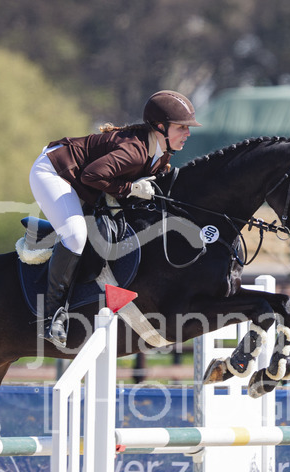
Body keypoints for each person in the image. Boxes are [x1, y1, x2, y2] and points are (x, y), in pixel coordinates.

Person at [28, 90, 201, 347]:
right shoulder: (134, 150)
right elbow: (91, 176)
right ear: (160, 127)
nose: (187, 133)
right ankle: (52, 316)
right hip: (55, 171)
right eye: (181, 127)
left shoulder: (161, 153)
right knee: (75, 236)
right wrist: (130, 188)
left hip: (81, 178)